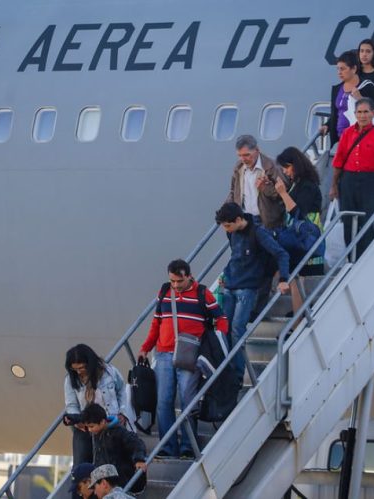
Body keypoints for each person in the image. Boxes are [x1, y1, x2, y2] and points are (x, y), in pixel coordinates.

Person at [138, 259, 228, 459]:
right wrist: (146, 347)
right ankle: (168, 447)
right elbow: (157, 323)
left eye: (179, 281)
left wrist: (219, 341)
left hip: (190, 355)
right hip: (163, 353)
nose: (176, 285)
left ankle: (188, 446)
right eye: (172, 281)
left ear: (188, 276)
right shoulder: (164, 292)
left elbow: (221, 318)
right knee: (164, 401)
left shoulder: (202, 293)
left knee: (188, 401)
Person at [215, 202, 290, 385]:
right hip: (230, 286)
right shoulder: (231, 234)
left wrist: (283, 279)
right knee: (223, 330)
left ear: (239, 220)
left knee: (237, 330)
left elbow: (281, 254)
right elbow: (235, 256)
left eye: (228, 225)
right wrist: (226, 274)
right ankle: (225, 370)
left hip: (247, 289)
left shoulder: (258, 233)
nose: (227, 229)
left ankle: (238, 376)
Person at [330, 98, 374, 257]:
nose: (362, 116)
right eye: (359, 112)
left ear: (373, 113)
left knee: (370, 220)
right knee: (348, 220)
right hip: (348, 181)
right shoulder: (347, 133)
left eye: (366, 112)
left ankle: (366, 258)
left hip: (371, 181)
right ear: (354, 114)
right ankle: (351, 259)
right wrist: (334, 185)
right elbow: (338, 161)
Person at [273, 147, 324, 317]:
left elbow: (297, 212)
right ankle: (298, 317)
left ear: (296, 164)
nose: (285, 172)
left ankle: (298, 324)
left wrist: (282, 193)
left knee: (299, 280)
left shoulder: (308, 186)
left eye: (287, 167)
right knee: (295, 279)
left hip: (307, 241)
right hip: (302, 241)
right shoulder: (299, 183)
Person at [64, 344, 129, 465]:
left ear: (90, 362)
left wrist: (123, 412)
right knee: (82, 465)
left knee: (113, 464)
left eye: (82, 367)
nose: (78, 372)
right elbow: (71, 404)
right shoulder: (70, 380)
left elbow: (122, 391)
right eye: (75, 369)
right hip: (85, 427)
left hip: (110, 424)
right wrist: (77, 420)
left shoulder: (109, 372)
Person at [225, 134, 287, 230]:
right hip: (244, 221)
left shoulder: (272, 166)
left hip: (267, 223)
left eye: (246, 155)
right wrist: (225, 211)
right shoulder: (238, 167)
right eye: (240, 155)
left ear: (257, 150)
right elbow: (233, 192)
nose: (243, 159)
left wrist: (265, 188)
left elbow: (285, 195)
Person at [81, 404, 147, 493]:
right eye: (88, 427)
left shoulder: (119, 432)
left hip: (123, 482)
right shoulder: (96, 434)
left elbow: (137, 443)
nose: (89, 430)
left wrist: (139, 460)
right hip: (108, 484)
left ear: (103, 422)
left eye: (92, 426)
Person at [324, 50, 374, 146]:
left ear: (354, 69)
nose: (339, 72)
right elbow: (336, 114)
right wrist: (327, 125)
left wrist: (360, 98)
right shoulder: (337, 89)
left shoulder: (367, 86)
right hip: (340, 139)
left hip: (360, 140)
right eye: (338, 69)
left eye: (343, 69)